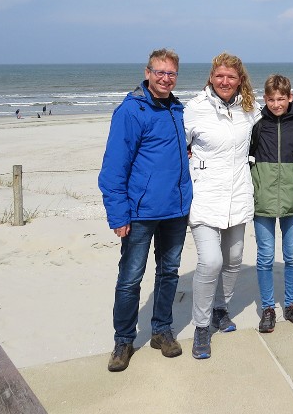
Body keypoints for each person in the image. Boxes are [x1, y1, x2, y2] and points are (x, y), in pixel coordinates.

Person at [98, 48, 193, 372]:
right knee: (130, 278)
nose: (165, 78)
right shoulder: (131, 110)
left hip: (176, 210)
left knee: (168, 273)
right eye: (160, 72)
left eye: (171, 74)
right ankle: (123, 340)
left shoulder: (177, 110)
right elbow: (113, 168)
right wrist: (118, 214)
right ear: (148, 72)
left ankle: (161, 331)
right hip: (139, 214)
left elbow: (176, 151)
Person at [185, 53, 260, 359]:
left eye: (231, 77)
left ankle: (220, 309)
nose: (225, 82)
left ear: (240, 79)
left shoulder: (250, 109)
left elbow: (274, 126)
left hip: (239, 196)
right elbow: (178, 145)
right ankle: (202, 328)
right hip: (204, 197)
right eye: (220, 76)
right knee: (211, 261)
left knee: (234, 259)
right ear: (211, 78)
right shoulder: (194, 109)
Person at [250, 75, 293, 333]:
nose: (276, 104)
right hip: (262, 198)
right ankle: (267, 308)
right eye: (271, 99)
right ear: (265, 99)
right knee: (264, 256)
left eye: (281, 99)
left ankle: (291, 304)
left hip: (292, 198)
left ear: (290, 97)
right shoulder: (258, 125)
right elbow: (244, 155)